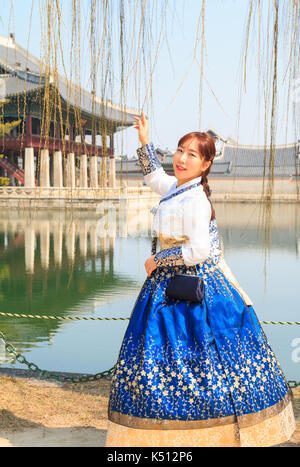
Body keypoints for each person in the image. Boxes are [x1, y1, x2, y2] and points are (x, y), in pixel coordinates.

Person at [105, 111, 295, 447]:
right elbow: (153, 178)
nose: (181, 158)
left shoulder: (195, 200)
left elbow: (198, 252)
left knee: (199, 360)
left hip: (192, 287)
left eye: (192, 154)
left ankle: (210, 436)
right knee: (168, 361)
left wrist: (157, 260)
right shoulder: (177, 188)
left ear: (206, 164)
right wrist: (146, 142)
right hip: (168, 285)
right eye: (179, 150)